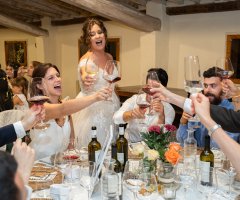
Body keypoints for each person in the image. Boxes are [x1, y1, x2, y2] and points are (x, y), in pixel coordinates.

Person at [29, 63, 112, 160]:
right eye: (51, 78)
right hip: (37, 166)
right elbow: (62, 109)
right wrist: (95, 97)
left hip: (58, 165)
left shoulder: (67, 111)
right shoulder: (39, 108)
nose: (58, 79)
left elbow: (71, 144)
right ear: (39, 85)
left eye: (58, 76)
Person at [73, 17, 120, 148]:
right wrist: (84, 77)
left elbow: (112, 83)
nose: (97, 36)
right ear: (88, 40)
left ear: (104, 34)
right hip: (94, 111)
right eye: (92, 34)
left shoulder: (110, 57)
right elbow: (84, 72)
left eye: (99, 32)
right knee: (95, 148)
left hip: (112, 107)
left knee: (112, 147)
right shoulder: (86, 60)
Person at [176, 67, 240, 148]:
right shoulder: (198, 106)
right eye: (206, 85)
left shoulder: (231, 111)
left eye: (213, 85)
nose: (207, 90)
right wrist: (183, 122)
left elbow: (219, 148)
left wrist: (208, 120)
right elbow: (182, 142)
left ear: (224, 86)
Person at [113, 68, 175, 143]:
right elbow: (116, 118)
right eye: (148, 86)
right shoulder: (136, 99)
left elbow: (163, 139)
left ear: (163, 89)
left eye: (155, 87)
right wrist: (131, 114)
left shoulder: (168, 109)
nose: (150, 90)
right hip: (129, 146)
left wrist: (161, 117)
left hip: (152, 151)